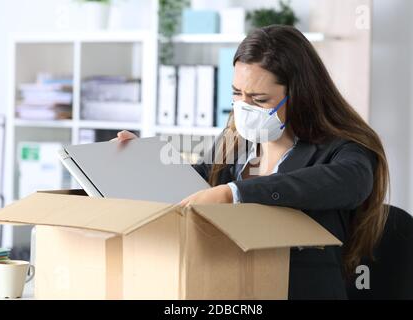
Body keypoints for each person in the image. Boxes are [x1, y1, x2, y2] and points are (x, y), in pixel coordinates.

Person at [112, 25, 390, 300]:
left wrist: (235, 193)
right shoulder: (236, 139)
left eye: (259, 99)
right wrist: (144, 162)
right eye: (236, 93)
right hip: (225, 287)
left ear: (301, 95)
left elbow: (353, 181)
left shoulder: (341, 148)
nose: (244, 107)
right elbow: (197, 183)